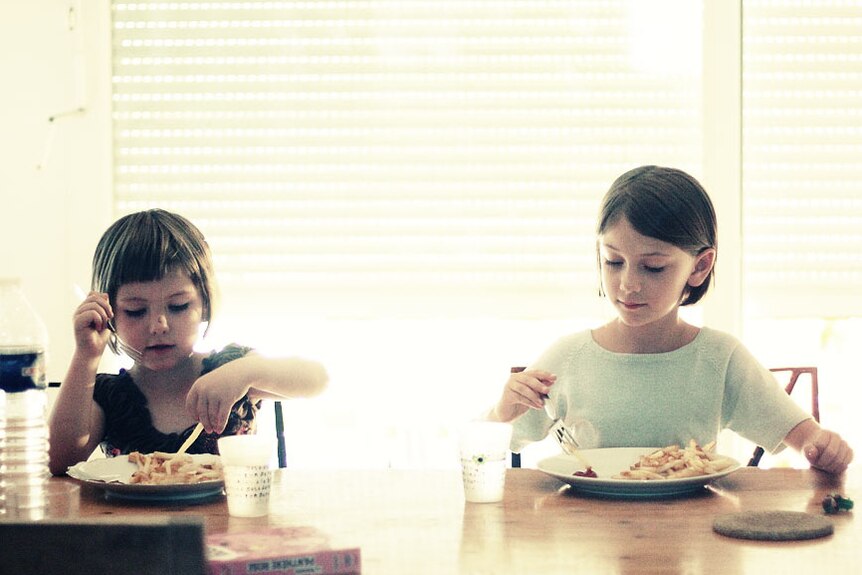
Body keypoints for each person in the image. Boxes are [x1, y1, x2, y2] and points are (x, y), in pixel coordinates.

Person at [488, 165, 853, 474]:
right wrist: (501, 413)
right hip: (589, 543)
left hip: (693, 540)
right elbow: (478, 452)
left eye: (654, 266)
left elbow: (807, 439)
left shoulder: (719, 358)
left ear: (700, 266)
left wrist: (824, 449)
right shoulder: (568, 357)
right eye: (613, 261)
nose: (628, 284)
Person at [48, 209, 328, 475]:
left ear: (204, 303)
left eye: (178, 306)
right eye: (136, 311)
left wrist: (246, 372)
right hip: (137, 525)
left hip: (233, 523)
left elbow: (317, 380)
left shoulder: (230, 371)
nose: (159, 326)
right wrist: (86, 356)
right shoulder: (111, 397)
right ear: (110, 316)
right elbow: (58, 461)